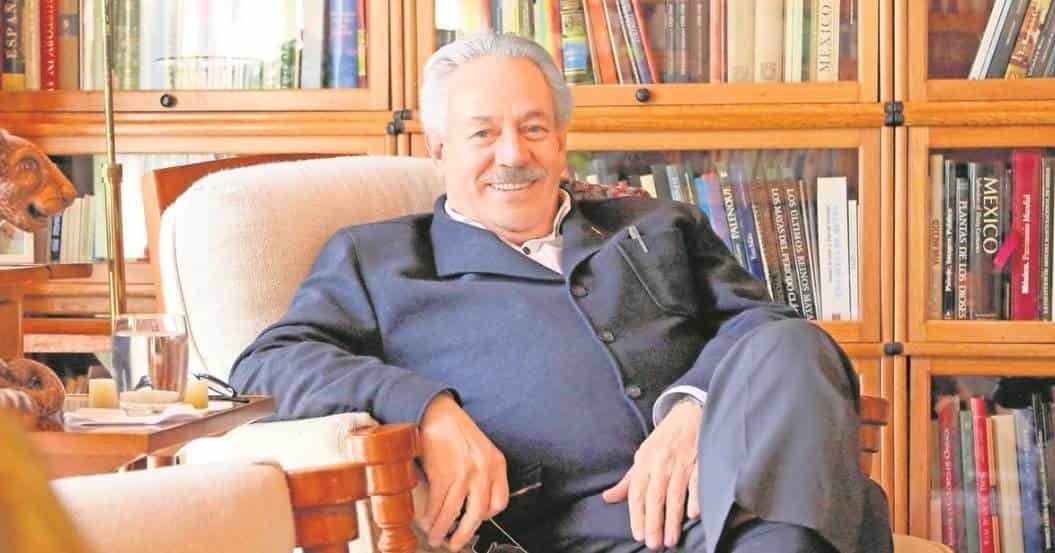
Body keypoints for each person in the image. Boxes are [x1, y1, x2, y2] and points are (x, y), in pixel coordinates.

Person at [230, 33, 892, 553]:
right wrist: (427, 408)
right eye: (483, 133)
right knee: (819, 519)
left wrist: (693, 410)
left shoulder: (656, 224)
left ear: (561, 140)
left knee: (796, 341)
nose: (513, 154)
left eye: (533, 128)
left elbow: (764, 328)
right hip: (579, 530)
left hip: (731, 492)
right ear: (438, 148)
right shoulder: (379, 259)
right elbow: (265, 365)